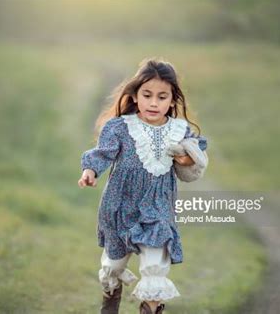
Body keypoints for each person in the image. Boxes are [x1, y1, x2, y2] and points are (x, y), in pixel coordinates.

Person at [78, 57, 208, 314]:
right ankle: (111, 292)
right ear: (135, 96)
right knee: (113, 265)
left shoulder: (180, 131)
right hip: (119, 206)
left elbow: (192, 165)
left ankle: (151, 307)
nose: (154, 102)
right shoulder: (120, 128)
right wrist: (90, 171)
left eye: (162, 97)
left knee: (155, 266)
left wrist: (184, 157)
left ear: (172, 100)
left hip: (158, 207)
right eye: (147, 95)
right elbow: (102, 154)